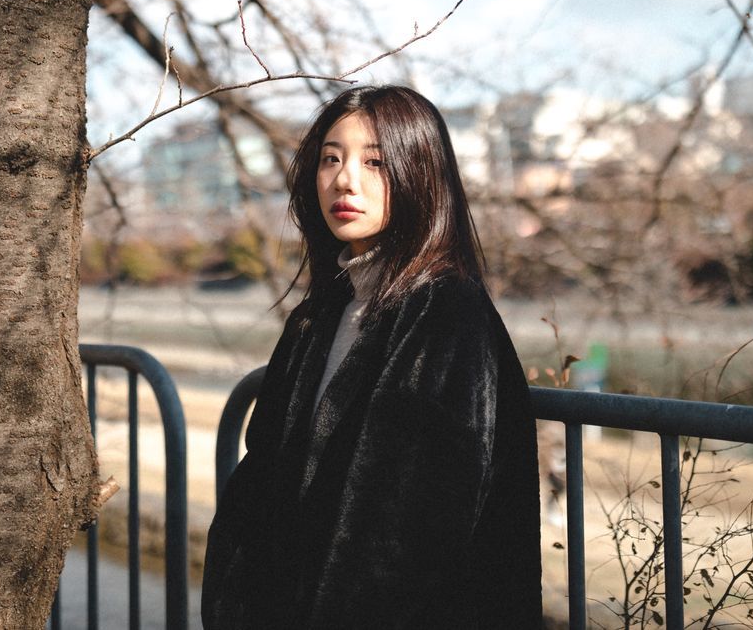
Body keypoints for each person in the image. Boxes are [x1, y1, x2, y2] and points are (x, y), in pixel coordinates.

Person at [201, 85, 542, 630]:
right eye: (330, 158)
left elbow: (422, 532)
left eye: (375, 162)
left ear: (419, 175)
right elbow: (263, 479)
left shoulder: (448, 313)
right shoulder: (320, 314)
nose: (344, 179)